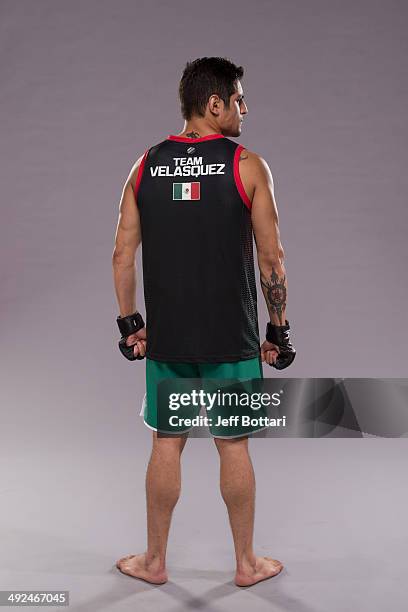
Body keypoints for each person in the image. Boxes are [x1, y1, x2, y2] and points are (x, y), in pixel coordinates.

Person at [111, 56, 295, 587]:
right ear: (214, 104)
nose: (245, 108)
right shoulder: (248, 166)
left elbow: (122, 253)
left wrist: (130, 326)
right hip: (231, 340)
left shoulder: (144, 165)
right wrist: (278, 330)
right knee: (232, 445)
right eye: (239, 99)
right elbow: (272, 259)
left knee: (166, 443)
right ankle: (245, 564)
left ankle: (153, 561)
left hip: (168, 340)